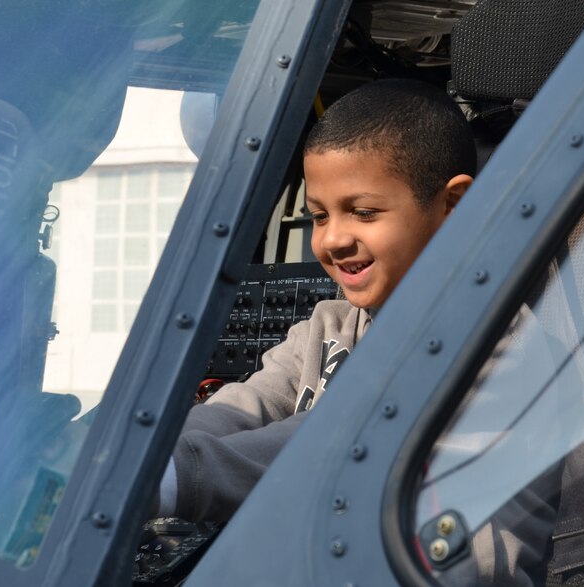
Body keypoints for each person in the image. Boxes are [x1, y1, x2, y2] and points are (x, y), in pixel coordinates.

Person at [156, 78, 476, 521]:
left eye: (363, 212)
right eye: (319, 216)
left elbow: (343, 438)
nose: (332, 240)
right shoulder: (329, 326)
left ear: (452, 205)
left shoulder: (481, 336)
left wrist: (172, 480)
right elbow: (247, 404)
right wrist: (148, 458)